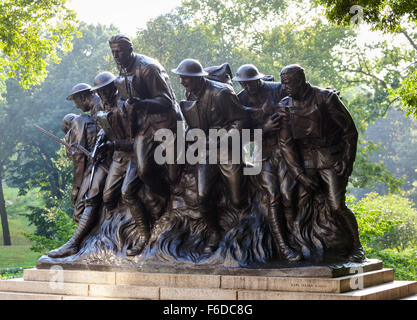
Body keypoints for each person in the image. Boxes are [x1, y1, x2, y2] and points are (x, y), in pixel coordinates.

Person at [278, 64, 364, 262]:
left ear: (300, 80)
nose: (285, 87)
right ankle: (301, 245)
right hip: (305, 162)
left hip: (330, 159)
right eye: (282, 83)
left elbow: (349, 132)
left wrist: (347, 160)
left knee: (337, 206)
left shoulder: (326, 98)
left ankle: (356, 246)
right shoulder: (284, 105)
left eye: (288, 83)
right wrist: (299, 174)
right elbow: (285, 144)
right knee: (293, 201)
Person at [233, 64, 316, 262]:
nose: (246, 86)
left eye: (250, 82)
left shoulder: (276, 89)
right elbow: (240, 135)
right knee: (273, 195)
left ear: (258, 79)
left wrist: (326, 92)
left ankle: (297, 238)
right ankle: (283, 246)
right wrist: (264, 128)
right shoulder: (240, 100)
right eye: (243, 83)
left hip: (284, 149)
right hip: (259, 153)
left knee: (288, 196)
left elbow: (302, 91)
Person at [172, 58, 249, 250]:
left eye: (185, 79)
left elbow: (240, 121)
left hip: (227, 149)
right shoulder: (189, 93)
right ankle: (215, 232)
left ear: (198, 78)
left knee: (238, 199)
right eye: (181, 78)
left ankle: (244, 230)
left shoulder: (221, 93)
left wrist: (220, 141)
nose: (182, 82)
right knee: (202, 195)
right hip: (205, 151)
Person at [108, 34, 181, 196]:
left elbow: (166, 101)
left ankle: (176, 201)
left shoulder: (148, 68)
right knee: (144, 171)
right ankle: (164, 202)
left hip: (165, 124)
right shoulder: (123, 66)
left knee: (174, 174)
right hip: (145, 126)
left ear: (130, 50)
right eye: (113, 52)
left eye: (119, 52)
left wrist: (141, 104)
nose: (115, 56)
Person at [91, 71, 151, 256]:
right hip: (118, 157)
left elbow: (138, 139)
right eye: (99, 92)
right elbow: (103, 128)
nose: (102, 95)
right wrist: (100, 144)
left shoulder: (127, 105)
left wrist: (113, 144)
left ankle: (144, 235)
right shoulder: (102, 105)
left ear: (113, 88)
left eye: (104, 90)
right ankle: (120, 233)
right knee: (108, 197)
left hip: (134, 155)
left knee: (127, 193)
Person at [48, 107, 103, 258]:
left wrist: (76, 188)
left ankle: (77, 244)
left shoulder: (79, 124)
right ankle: (84, 243)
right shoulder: (90, 120)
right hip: (101, 164)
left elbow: (79, 161)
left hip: (98, 166)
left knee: (82, 208)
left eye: (68, 130)